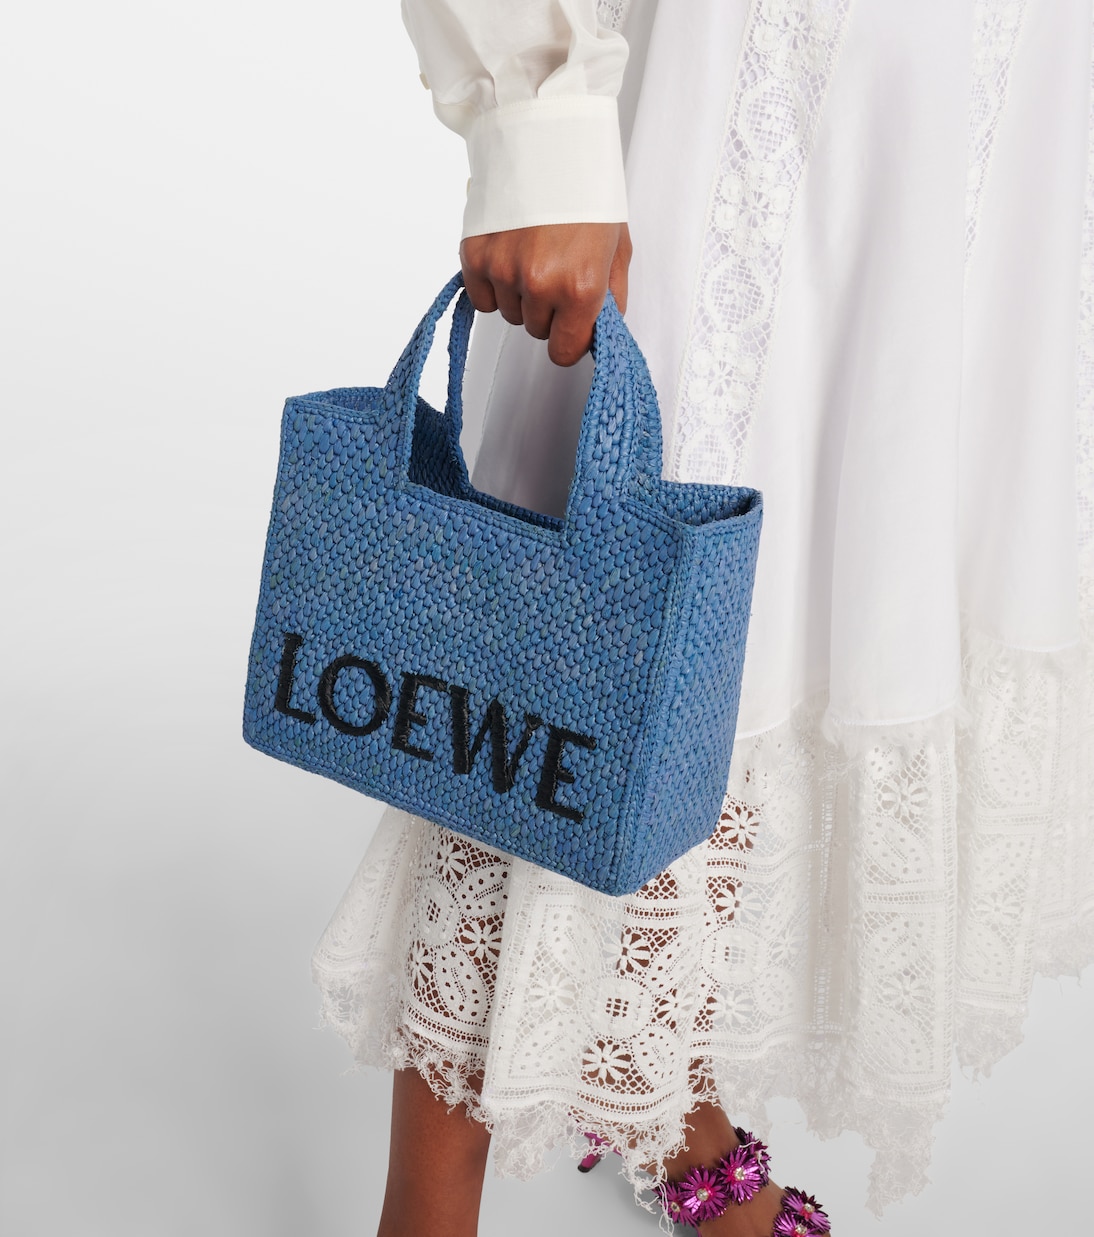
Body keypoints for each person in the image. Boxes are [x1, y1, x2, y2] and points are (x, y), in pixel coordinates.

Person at [311, 2, 1094, 1234]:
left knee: (794, 610)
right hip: (744, 66)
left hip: (982, 91)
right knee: (587, 634)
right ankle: (426, 1207)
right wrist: (538, 123)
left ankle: (667, 1092)